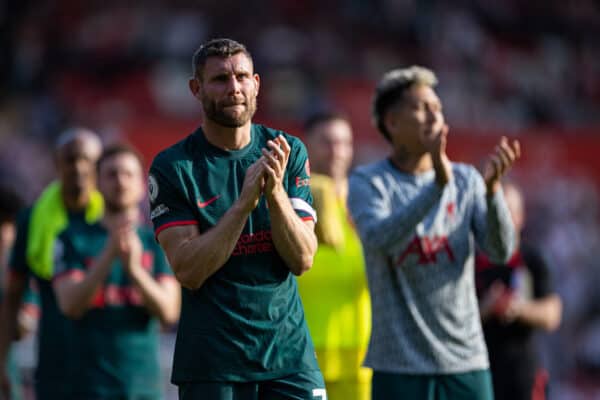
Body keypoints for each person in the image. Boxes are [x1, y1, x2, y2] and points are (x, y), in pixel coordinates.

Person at [148, 38, 326, 400]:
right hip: (213, 365)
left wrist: (274, 194)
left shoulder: (286, 151)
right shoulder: (174, 167)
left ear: (256, 84)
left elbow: (303, 258)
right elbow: (189, 270)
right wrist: (244, 204)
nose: (234, 89)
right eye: (220, 80)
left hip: (288, 356)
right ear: (196, 89)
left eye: (242, 77)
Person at [347, 65, 521, 400]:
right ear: (392, 122)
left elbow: (501, 252)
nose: (434, 116)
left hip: (466, 361)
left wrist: (493, 192)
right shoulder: (369, 183)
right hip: (398, 366)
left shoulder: (467, 179)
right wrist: (437, 188)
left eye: (438, 108)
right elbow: (378, 238)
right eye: (423, 108)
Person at [51, 143, 180, 399]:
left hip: (143, 387)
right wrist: (109, 254)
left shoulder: (155, 242)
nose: (120, 181)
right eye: (111, 174)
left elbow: (169, 312)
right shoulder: (72, 238)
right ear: (96, 183)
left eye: (128, 174)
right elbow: (70, 305)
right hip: (87, 387)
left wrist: (135, 271)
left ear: (143, 186)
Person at [0, 128, 104, 400]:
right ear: (57, 163)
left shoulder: (114, 222)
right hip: (55, 363)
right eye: (70, 159)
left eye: (86, 160)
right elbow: (12, 296)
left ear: (98, 166)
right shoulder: (32, 220)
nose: (78, 167)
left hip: (109, 365)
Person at [297, 111, 371, 400]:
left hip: (360, 351)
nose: (337, 151)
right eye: (327, 142)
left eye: (344, 143)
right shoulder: (290, 199)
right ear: (307, 146)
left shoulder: (367, 201)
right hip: (305, 348)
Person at [476, 181, 562, 400]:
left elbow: (552, 313)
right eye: (496, 211)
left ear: (520, 218)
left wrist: (518, 308)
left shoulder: (532, 259)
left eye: (508, 212)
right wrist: (487, 308)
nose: (502, 219)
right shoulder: (472, 261)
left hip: (523, 373)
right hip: (481, 372)